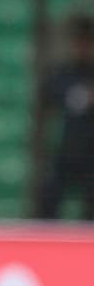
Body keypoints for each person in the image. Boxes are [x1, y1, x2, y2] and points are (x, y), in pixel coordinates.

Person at [38, 12, 94, 219]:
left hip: (92, 152)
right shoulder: (65, 73)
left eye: (87, 43)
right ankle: (43, 239)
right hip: (68, 148)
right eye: (79, 43)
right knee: (50, 192)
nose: (83, 48)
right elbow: (50, 91)